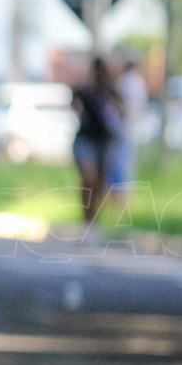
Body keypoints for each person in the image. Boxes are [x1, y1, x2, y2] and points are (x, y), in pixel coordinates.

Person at [71, 56, 122, 234]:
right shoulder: (84, 90)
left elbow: (122, 111)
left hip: (104, 141)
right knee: (88, 179)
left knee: (99, 184)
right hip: (85, 139)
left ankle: (93, 223)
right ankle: (86, 221)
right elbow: (74, 105)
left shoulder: (111, 92)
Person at [108, 53, 149, 198]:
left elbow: (121, 107)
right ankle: (122, 196)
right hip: (132, 128)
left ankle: (119, 197)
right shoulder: (139, 82)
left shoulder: (125, 81)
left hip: (121, 128)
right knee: (125, 164)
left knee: (119, 164)